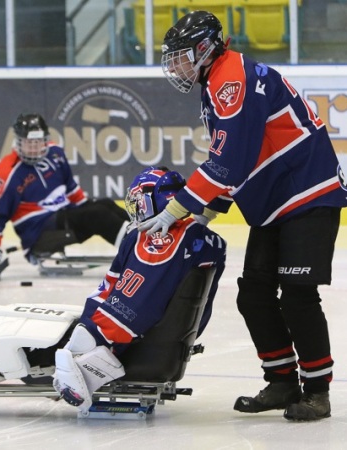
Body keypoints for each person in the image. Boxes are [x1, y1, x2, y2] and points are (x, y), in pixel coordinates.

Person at [138, 10, 347, 421]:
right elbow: (241, 159)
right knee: (253, 293)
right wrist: (207, 212)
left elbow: (228, 162)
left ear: (205, 49)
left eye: (182, 56)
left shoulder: (231, 79)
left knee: (298, 294)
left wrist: (180, 209)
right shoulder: (218, 78)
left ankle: (317, 390)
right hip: (275, 200)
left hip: (308, 193)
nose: (176, 65)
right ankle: (282, 381)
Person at [53, 166, 226, 412]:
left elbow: (133, 305)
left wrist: (88, 337)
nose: (136, 209)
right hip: (174, 340)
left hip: (135, 343)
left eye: (140, 202)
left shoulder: (157, 239)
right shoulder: (206, 239)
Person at [0, 113, 129, 280]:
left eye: (38, 142)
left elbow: (70, 187)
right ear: (18, 142)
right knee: (98, 215)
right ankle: (137, 253)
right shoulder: (7, 173)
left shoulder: (55, 153)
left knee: (105, 205)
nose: (35, 148)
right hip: (38, 233)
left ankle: (145, 238)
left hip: (61, 214)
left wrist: (88, 207)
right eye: (29, 143)